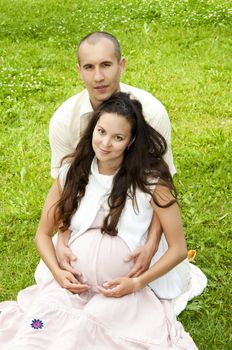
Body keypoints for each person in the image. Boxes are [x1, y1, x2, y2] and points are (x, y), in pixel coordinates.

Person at [0, 93, 198, 349]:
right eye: (101, 131)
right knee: (35, 336)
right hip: (71, 290)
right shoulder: (71, 172)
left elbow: (179, 249)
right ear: (93, 128)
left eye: (118, 137)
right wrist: (58, 275)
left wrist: (137, 283)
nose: (105, 143)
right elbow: (42, 234)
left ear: (131, 140)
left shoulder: (152, 181)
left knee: (88, 336)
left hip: (121, 294)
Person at [35, 31, 207, 313]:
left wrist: (150, 247)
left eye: (106, 65)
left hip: (138, 214)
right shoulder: (63, 120)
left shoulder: (152, 112)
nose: (98, 76)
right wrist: (63, 238)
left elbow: (161, 188)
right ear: (79, 71)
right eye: (89, 67)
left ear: (121, 65)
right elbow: (66, 186)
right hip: (86, 215)